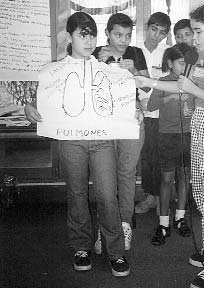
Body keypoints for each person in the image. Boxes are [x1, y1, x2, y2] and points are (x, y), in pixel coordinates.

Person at [135, 3, 204, 287]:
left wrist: (195, 92)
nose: (193, 37)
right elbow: (182, 85)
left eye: (198, 31)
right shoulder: (201, 55)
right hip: (200, 125)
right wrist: (148, 81)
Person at [24, 12, 130, 277]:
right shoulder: (54, 71)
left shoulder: (108, 69)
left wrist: (133, 109)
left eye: (92, 34)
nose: (89, 40)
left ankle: (115, 251)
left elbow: (121, 101)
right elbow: (43, 103)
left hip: (102, 140)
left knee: (108, 195)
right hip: (71, 140)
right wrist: (30, 107)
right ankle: (81, 246)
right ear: (69, 36)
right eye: (83, 34)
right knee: (77, 193)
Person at [92, 13, 148, 254]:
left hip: (131, 118)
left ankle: (125, 225)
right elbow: (82, 86)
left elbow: (146, 85)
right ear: (107, 33)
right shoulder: (93, 53)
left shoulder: (135, 53)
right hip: (103, 119)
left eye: (127, 35)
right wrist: (97, 63)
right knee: (104, 177)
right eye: (118, 35)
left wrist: (135, 70)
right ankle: (105, 228)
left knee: (127, 174)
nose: (123, 40)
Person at [147, 43, 193, 246]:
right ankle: (163, 223)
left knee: (184, 176)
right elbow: (151, 106)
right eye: (180, 63)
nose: (184, 67)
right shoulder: (163, 82)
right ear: (170, 63)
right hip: (167, 135)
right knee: (167, 178)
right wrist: (170, 97)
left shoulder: (193, 82)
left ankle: (180, 217)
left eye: (187, 63)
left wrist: (192, 109)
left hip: (189, 134)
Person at [134, 12, 172, 214]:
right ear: (147, 28)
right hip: (139, 113)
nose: (156, 36)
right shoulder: (133, 50)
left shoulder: (169, 52)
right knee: (145, 157)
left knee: (160, 157)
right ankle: (150, 197)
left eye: (162, 33)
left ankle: (159, 199)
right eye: (154, 30)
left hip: (161, 112)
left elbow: (171, 82)